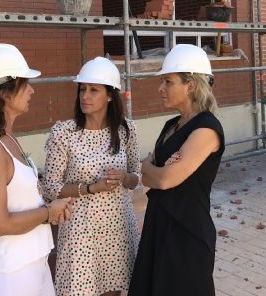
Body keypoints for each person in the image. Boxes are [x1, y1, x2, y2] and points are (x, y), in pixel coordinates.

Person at [0, 43, 73, 296]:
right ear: (4, 92)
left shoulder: (7, 139)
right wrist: (48, 213)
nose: (32, 90)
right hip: (9, 272)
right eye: (25, 83)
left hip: (32, 260)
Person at [128, 44, 225, 296]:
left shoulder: (206, 129)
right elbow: (150, 177)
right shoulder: (172, 125)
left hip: (187, 234)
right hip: (159, 225)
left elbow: (163, 179)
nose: (160, 88)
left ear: (190, 85)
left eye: (168, 81)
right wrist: (151, 171)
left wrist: (148, 167)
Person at [43, 56, 140, 296]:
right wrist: (91, 188)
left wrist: (124, 178)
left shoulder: (126, 130)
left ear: (110, 95)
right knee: (81, 290)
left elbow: (136, 176)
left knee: (114, 290)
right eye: (82, 89)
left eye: (93, 90)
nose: (85, 96)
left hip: (118, 225)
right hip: (80, 230)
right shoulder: (64, 133)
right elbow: (51, 188)